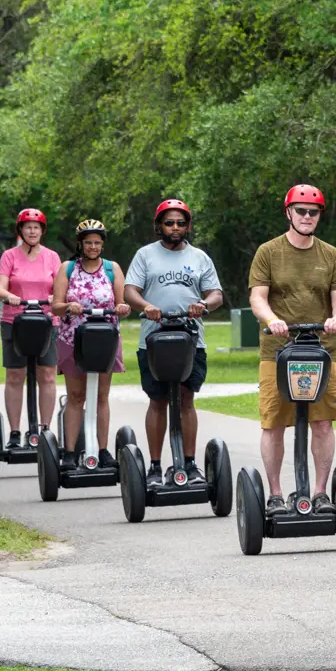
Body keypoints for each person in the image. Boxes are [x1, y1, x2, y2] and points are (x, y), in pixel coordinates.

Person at [248, 185, 336, 516]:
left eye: (313, 212)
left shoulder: (330, 254)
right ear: (288, 212)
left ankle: (320, 493)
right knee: (274, 422)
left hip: (320, 352)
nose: (307, 217)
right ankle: (276, 494)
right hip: (278, 351)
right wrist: (272, 319)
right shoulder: (268, 252)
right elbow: (258, 297)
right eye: (301, 211)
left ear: (320, 215)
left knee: (322, 423)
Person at [124, 199, 225, 486]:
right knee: (157, 401)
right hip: (153, 340)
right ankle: (155, 468)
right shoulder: (145, 255)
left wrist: (202, 304)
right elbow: (130, 291)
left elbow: (216, 294)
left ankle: (190, 465)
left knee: (186, 400)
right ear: (159, 226)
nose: (175, 228)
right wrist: (146, 306)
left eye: (181, 223)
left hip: (191, 339)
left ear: (188, 226)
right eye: (169, 223)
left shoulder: (200, 257)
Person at [51, 220, 132, 470]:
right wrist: (68, 307)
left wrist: (123, 308)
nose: (93, 247)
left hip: (104, 338)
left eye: (97, 242)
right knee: (76, 396)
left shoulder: (112, 268)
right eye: (88, 242)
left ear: (102, 244)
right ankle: (69, 452)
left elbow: (121, 304)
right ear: (80, 244)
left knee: (101, 396)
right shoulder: (68, 268)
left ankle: (104, 450)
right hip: (73, 339)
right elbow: (55, 306)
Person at [0, 208, 62, 449]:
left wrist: (56, 298)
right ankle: (14, 432)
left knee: (47, 375)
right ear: (20, 230)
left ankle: (45, 430)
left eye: (36, 227)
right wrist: (10, 296)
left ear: (42, 230)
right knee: (15, 375)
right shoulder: (9, 256)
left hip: (46, 322)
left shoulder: (52, 257)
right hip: (15, 321)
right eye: (27, 226)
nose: (32, 231)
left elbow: (60, 288)